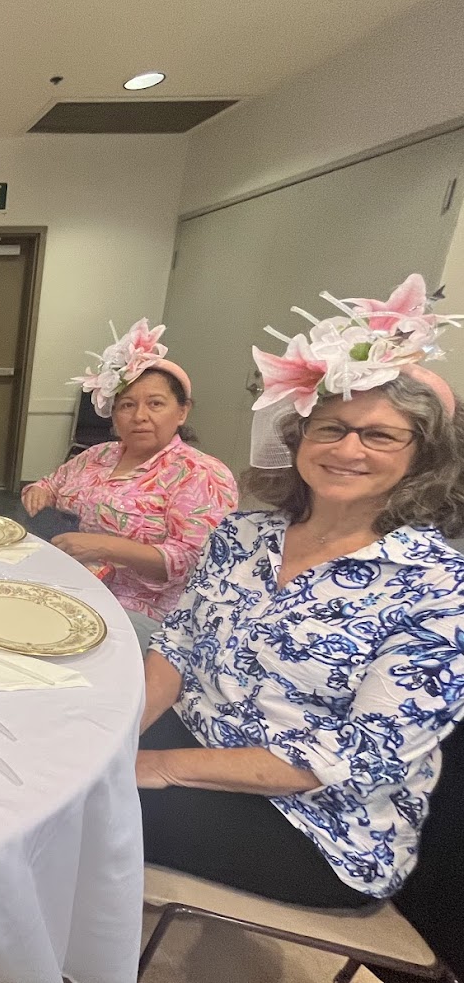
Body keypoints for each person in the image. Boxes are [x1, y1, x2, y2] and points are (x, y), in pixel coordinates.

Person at [138, 275, 464, 909]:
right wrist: (126, 732)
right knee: (57, 749)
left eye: (379, 435)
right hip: (199, 737)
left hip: (315, 824)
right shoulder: (243, 536)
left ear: (423, 456)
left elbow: (360, 756)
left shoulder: (437, 587)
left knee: (73, 813)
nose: (348, 450)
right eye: (330, 429)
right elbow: (175, 644)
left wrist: (158, 767)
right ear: (299, 441)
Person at [22, 318, 237, 625]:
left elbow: (193, 561)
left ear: (182, 411)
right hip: (71, 583)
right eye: (126, 406)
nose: (140, 417)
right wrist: (39, 491)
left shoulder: (201, 474)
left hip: (137, 609)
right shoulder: (98, 455)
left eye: (155, 403)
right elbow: (50, 485)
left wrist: (106, 546)